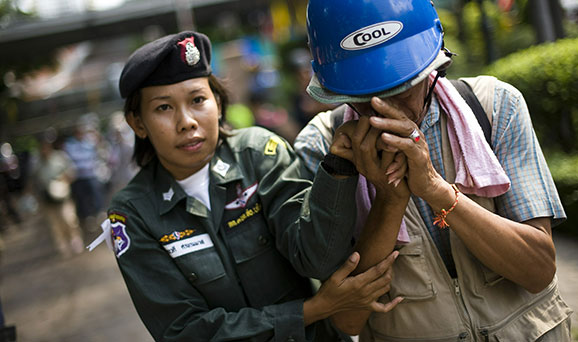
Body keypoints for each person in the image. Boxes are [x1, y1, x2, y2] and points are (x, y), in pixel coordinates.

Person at [294, 0, 573, 341]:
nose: (383, 109)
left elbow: (539, 270)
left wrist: (436, 190)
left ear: (431, 69)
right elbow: (349, 321)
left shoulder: (495, 107)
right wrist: (390, 200)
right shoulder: (323, 148)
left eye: (399, 88)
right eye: (364, 96)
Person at [95, 30, 401, 341]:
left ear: (217, 102)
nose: (186, 121)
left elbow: (316, 258)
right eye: (164, 107)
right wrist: (313, 309)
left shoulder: (258, 154)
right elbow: (182, 332)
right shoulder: (133, 213)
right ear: (138, 123)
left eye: (198, 99)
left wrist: (337, 170)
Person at [33, 128, 84, 257]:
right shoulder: (36, 162)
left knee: (69, 220)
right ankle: (63, 246)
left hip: (63, 196)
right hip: (47, 199)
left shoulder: (60, 157)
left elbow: (72, 172)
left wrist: (62, 181)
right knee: (55, 225)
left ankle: (75, 240)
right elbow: (34, 181)